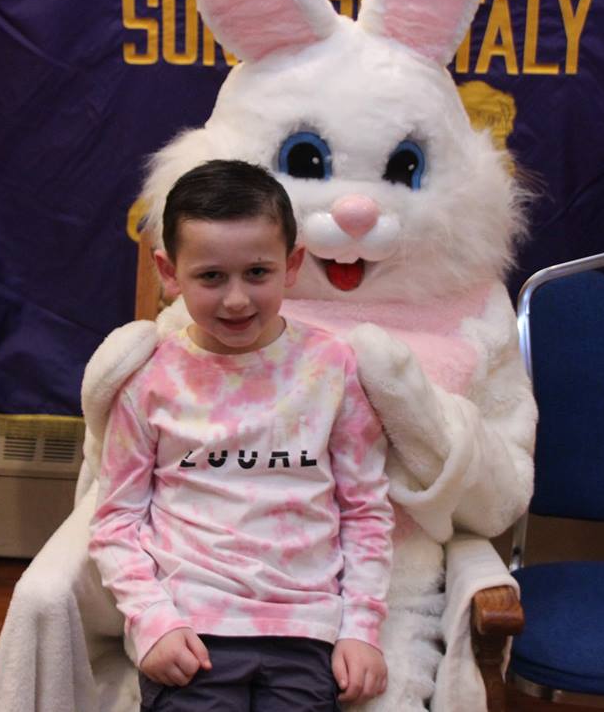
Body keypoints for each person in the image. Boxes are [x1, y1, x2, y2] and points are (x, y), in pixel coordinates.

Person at [88, 159, 395, 712]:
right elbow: (116, 519)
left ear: (292, 264)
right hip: (191, 626)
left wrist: (362, 627)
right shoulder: (149, 379)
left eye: (257, 272)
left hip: (306, 628)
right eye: (211, 277)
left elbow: (365, 510)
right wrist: (152, 620)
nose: (236, 299)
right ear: (169, 272)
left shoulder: (332, 366)